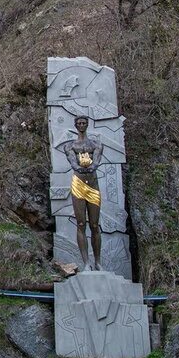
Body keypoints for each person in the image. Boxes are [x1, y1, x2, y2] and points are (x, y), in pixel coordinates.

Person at [61, 115, 103, 271]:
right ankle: (86, 262)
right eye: (79, 123)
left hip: (93, 184)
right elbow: (72, 161)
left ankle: (98, 261)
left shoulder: (96, 145)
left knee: (94, 225)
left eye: (84, 123)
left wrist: (93, 166)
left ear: (87, 124)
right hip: (78, 184)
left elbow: (97, 160)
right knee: (80, 223)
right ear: (75, 125)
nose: (81, 125)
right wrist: (78, 166)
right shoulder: (70, 146)